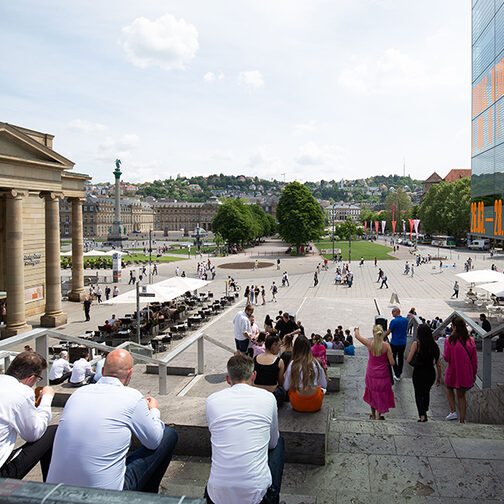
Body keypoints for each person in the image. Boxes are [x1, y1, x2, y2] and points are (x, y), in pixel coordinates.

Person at [47, 349, 178, 492]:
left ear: (102, 371)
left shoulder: (77, 394)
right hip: (106, 495)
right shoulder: (132, 397)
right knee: (168, 435)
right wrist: (154, 410)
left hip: (56, 492)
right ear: (130, 374)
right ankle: (147, 496)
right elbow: (154, 441)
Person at [205, 354, 284, 504]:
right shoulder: (268, 398)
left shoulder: (212, 401)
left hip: (216, 495)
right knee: (280, 444)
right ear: (253, 376)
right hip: (256, 496)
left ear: (228, 379)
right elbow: (273, 442)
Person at [0, 351, 56, 481]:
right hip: (2, 473)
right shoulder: (22, 392)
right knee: (52, 432)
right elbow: (33, 434)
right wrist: (47, 398)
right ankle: (50, 488)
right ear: (30, 378)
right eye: (37, 379)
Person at [354, 326, 395, 420]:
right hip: (383, 375)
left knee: (372, 393)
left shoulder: (369, 344)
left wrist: (356, 329)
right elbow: (392, 362)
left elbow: (357, 336)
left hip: (371, 374)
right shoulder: (386, 346)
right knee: (381, 395)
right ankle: (378, 415)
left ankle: (372, 415)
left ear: (373, 334)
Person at [443, 317, 477, 423]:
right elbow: (474, 361)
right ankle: (462, 420)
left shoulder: (449, 340)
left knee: (449, 388)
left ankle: (453, 411)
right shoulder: (470, 341)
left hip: (453, 370)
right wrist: (474, 373)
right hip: (465, 372)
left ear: (454, 327)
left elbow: (446, 358)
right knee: (461, 396)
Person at [407, 324, 442, 422]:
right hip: (430, 372)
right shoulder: (434, 345)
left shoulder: (416, 344)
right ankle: (425, 409)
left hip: (418, 372)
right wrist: (439, 377)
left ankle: (422, 415)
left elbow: (409, 360)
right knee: (426, 392)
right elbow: (438, 364)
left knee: (418, 393)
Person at [283, 336, 327, 412]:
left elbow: (286, 387)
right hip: (315, 403)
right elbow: (324, 385)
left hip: (297, 403)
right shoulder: (316, 363)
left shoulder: (292, 364)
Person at [385, 308, 408, 381]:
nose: (392, 314)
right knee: (401, 358)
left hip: (395, 343)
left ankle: (396, 372)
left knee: (392, 357)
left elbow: (388, 331)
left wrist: (381, 336)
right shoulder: (406, 320)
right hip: (403, 342)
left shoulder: (394, 321)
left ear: (396, 312)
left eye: (392, 312)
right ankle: (399, 373)